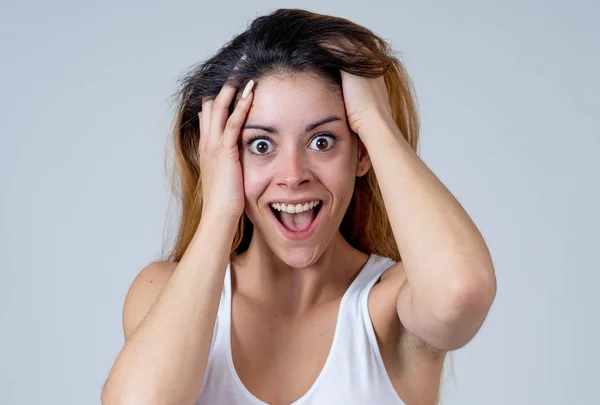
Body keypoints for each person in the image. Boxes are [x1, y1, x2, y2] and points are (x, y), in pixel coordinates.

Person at [102, 8, 497, 405]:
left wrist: (375, 121)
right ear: (224, 158)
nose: (293, 175)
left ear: (361, 154)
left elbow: (461, 293)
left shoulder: (390, 306)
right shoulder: (162, 290)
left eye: (322, 141)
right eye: (261, 145)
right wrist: (220, 209)